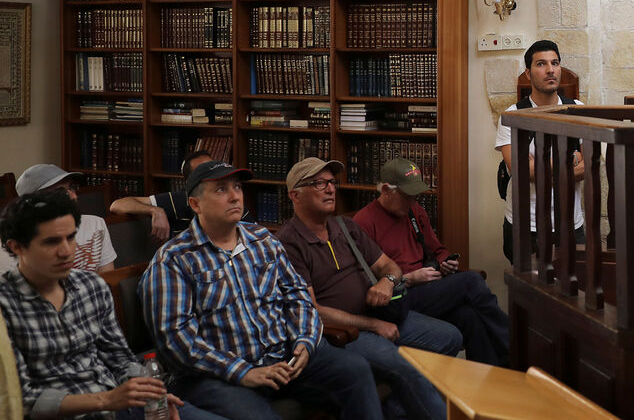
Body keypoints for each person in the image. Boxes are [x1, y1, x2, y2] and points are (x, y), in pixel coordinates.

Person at [140, 161, 383, 420]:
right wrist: (242, 371)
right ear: (196, 204)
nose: (235, 196)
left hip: (283, 358)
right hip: (218, 375)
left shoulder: (263, 239)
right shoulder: (174, 259)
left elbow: (297, 295)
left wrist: (304, 341)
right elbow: (176, 340)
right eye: (221, 190)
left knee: (354, 369)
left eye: (237, 187)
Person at [0, 189, 224, 419]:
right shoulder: (5, 305)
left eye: (71, 237)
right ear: (17, 247)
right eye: (51, 242)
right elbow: (19, 400)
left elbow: (118, 358)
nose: (66, 251)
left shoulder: (91, 286)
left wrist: (150, 393)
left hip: (118, 404)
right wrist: (104, 400)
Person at [276, 157, 457, 420]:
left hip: (379, 312)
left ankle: (394, 410)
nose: (330, 189)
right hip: (343, 333)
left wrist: (388, 282)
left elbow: (390, 267)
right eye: (318, 184)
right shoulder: (288, 244)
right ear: (295, 195)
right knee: (403, 365)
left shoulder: (344, 227)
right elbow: (312, 312)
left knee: (449, 337)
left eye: (332, 182)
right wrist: (372, 325)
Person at [355, 158, 510, 366]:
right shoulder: (363, 222)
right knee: (471, 281)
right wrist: (409, 279)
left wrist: (445, 262)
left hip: (427, 288)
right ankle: (514, 347)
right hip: (399, 297)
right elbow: (366, 282)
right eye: (407, 196)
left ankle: (493, 381)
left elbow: (437, 250)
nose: (413, 201)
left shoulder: (414, 211)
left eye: (416, 195)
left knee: (469, 316)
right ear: (385, 190)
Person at [494, 39, 586, 263]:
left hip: (570, 224)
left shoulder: (578, 110)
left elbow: (589, 168)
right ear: (528, 73)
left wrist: (539, 167)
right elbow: (521, 170)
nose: (550, 69)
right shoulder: (513, 116)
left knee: (576, 293)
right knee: (526, 293)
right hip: (526, 225)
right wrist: (570, 158)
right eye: (541, 64)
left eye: (555, 63)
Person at [0, 164, 115, 275]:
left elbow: (107, 281)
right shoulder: (12, 244)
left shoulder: (96, 224)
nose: (74, 196)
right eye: (60, 192)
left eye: (72, 188)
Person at [109, 150, 212, 241]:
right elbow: (117, 205)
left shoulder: (226, 198)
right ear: (190, 183)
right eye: (204, 172)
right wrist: (155, 210)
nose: (213, 174)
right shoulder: (180, 199)